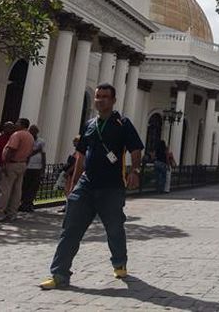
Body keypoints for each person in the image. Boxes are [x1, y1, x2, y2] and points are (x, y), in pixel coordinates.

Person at [40, 83, 144, 290]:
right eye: (98, 96)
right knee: (70, 229)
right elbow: (81, 155)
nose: (100, 100)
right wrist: (74, 183)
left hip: (111, 187)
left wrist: (135, 171)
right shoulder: (89, 124)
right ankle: (59, 274)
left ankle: (119, 262)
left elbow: (135, 149)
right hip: (86, 186)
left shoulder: (123, 123)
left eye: (105, 96)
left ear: (113, 100)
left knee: (114, 228)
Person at [0, 118, 34, 222]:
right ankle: (12, 213)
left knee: (5, 190)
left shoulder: (17, 134)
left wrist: (5, 164)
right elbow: (30, 153)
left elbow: (11, 149)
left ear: (22, 125)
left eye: (17, 123)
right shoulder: (30, 136)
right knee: (17, 190)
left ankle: (0, 213)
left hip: (12, 164)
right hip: (22, 164)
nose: (15, 124)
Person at [20, 124, 46, 212]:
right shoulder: (27, 140)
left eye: (34, 131)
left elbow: (43, 155)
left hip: (37, 167)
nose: (32, 132)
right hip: (27, 166)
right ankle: (23, 203)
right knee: (25, 185)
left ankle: (28, 203)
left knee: (33, 186)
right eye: (31, 131)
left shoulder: (41, 141)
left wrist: (43, 168)